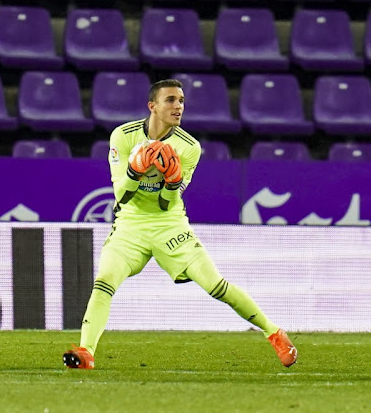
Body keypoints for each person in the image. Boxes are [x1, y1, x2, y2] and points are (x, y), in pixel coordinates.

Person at [63, 79, 297, 369]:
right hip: (130, 225)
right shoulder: (122, 137)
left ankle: (274, 332)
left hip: (169, 225)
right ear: (153, 106)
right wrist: (136, 170)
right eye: (171, 100)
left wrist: (172, 181)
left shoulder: (189, 147)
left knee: (216, 286)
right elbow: (121, 194)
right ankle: (86, 352)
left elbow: (165, 202)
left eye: (182, 101)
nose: (178, 107)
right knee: (103, 283)